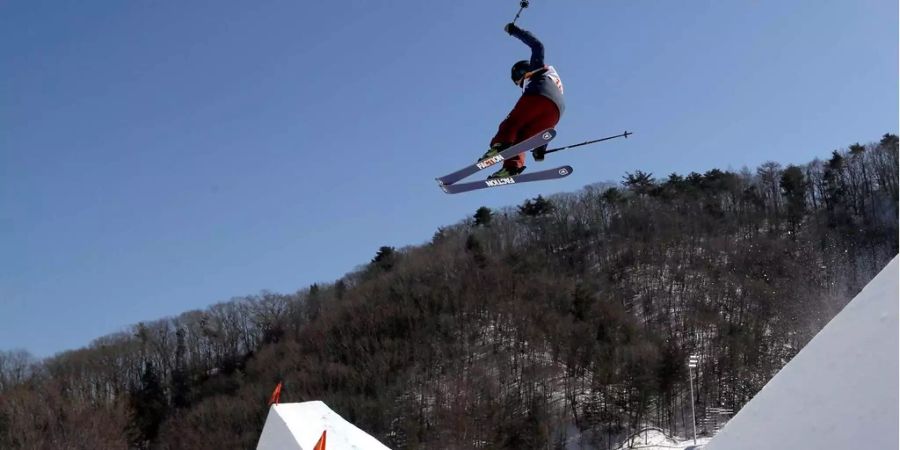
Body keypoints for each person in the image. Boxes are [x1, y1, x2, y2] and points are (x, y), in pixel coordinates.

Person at [479, 22, 565, 179]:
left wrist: (515, 31)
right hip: (556, 112)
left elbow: (537, 46)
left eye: (518, 82)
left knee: (511, 123)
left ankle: (499, 146)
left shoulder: (535, 69)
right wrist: (540, 149)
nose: (520, 86)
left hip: (540, 95)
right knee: (518, 141)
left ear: (521, 74)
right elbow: (544, 129)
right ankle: (511, 168)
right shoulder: (554, 79)